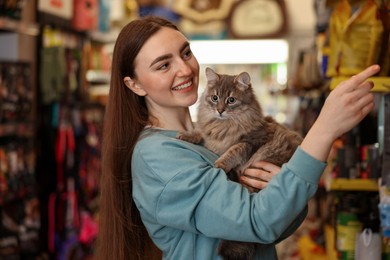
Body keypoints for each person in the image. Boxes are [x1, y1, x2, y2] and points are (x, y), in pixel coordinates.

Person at [96, 15, 380, 260]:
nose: (185, 70)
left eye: (185, 53)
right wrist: (324, 130)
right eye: (163, 65)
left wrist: (282, 192)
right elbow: (258, 222)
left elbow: (279, 224)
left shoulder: (205, 137)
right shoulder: (157, 155)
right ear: (134, 84)